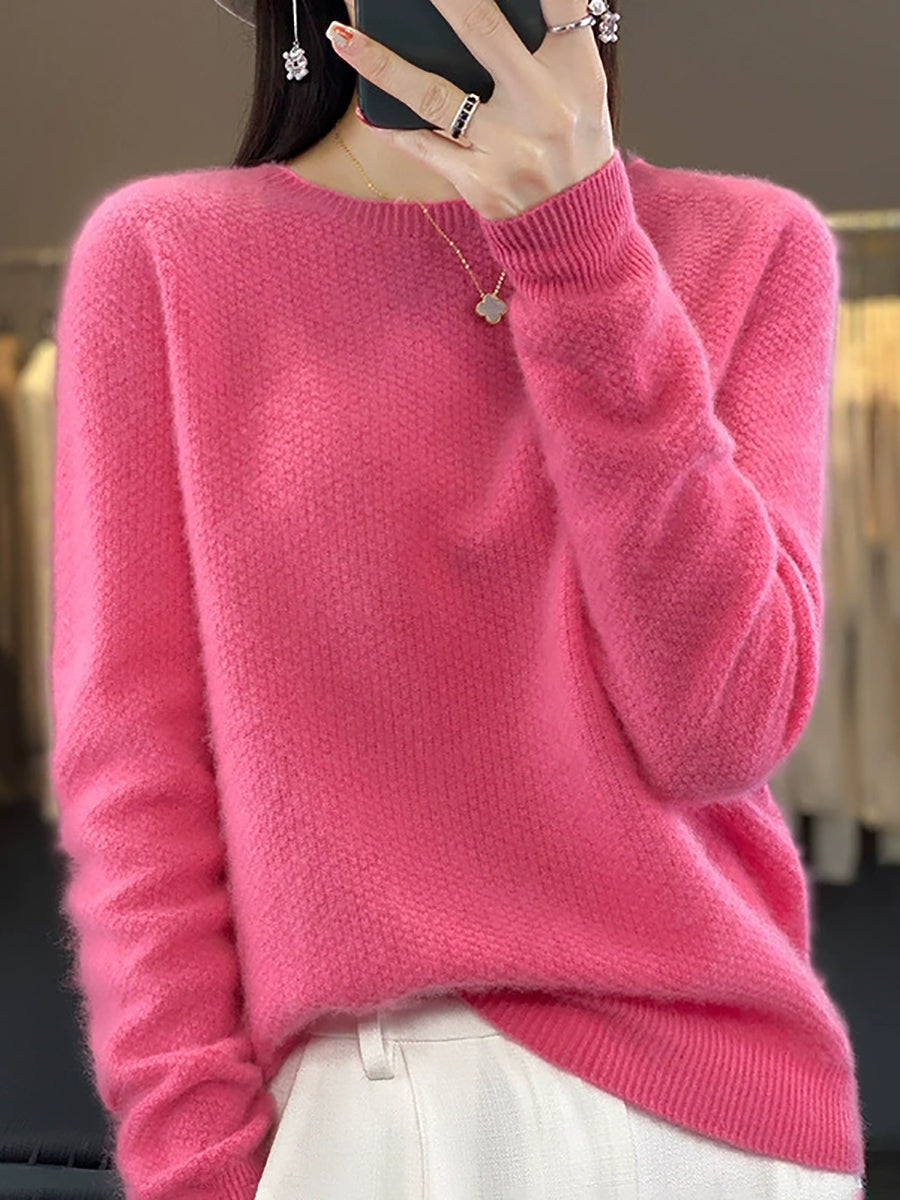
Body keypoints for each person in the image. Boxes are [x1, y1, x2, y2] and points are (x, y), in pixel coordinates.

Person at [49, 0, 867, 1197]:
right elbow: (136, 773)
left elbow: (720, 732)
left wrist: (582, 252)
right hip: (379, 1099)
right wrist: (191, 1166)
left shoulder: (750, 246)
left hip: (730, 1119)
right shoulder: (168, 257)